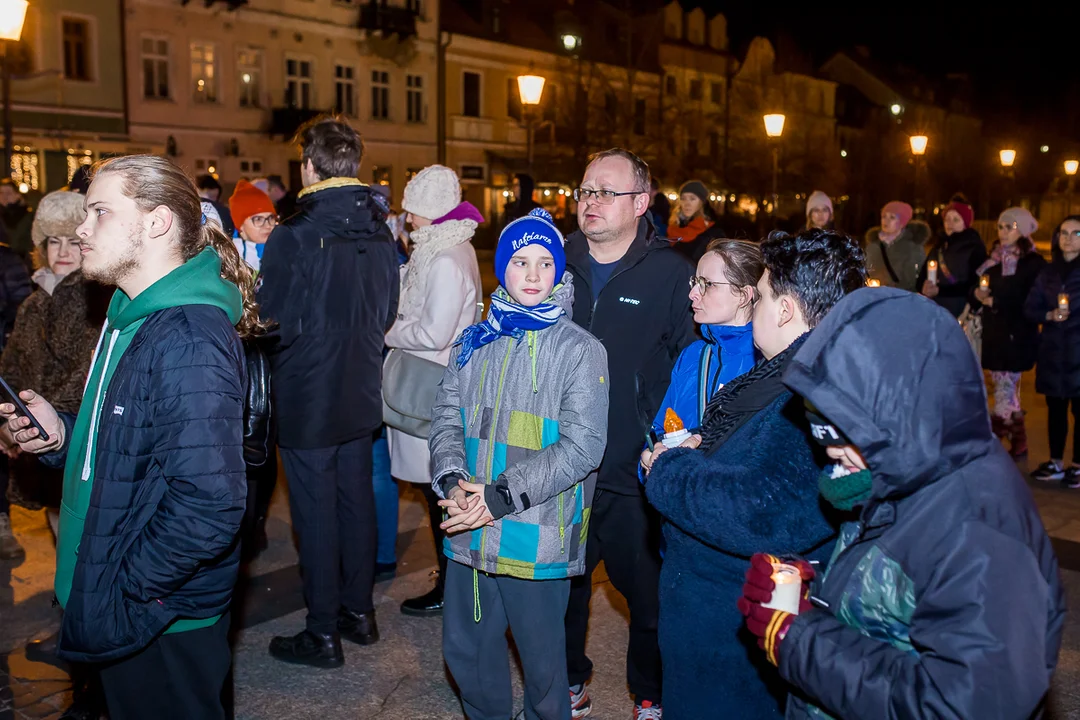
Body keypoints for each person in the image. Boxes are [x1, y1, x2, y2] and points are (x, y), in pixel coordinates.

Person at [0, 154, 259, 719]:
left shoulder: (187, 335)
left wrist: (127, 586)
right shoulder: (130, 313)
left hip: (159, 616)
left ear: (157, 222)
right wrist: (62, 437)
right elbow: (127, 447)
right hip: (125, 597)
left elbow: (210, 502)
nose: (81, 230)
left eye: (99, 212)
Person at [737, 286, 1065, 720]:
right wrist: (816, 588)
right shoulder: (905, 472)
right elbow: (902, 601)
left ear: (903, 412)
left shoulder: (980, 528)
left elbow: (963, 706)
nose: (831, 454)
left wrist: (799, 638)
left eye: (845, 432)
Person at [640, 228, 863, 719]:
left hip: (734, 639)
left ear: (784, 309)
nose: (754, 307)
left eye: (759, 296)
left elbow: (759, 512)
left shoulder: (808, 396)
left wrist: (672, 467)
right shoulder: (782, 378)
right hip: (718, 626)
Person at [429, 207, 609, 720]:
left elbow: (582, 447)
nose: (533, 275)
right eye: (521, 261)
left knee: (544, 670)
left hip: (538, 534)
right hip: (470, 529)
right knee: (468, 654)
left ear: (559, 273)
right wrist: (451, 478)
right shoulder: (473, 341)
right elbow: (444, 417)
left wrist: (498, 496)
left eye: (545, 264)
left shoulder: (580, 351)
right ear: (501, 268)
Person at [258, 115, 399, 668]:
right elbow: (387, 311)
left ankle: (322, 632)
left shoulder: (295, 235)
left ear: (308, 166)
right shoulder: (380, 231)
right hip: (360, 386)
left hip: (308, 394)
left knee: (315, 514)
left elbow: (273, 321)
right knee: (355, 500)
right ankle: (358, 614)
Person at [563, 148, 695, 719]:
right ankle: (567, 682)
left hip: (630, 468)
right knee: (560, 588)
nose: (590, 202)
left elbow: (690, 367)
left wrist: (670, 442)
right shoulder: (553, 259)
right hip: (558, 463)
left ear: (641, 203)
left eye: (605, 192)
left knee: (647, 598)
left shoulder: (672, 274)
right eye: (585, 190)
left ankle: (650, 694)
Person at [385, 164, 483, 617]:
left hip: (432, 385)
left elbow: (433, 333)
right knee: (437, 489)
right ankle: (451, 578)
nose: (406, 220)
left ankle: (451, 583)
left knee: (440, 489)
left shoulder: (444, 258)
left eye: (411, 211)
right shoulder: (442, 248)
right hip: (434, 381)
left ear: (428, 211)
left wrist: (387, 331)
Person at [0, 191, 107, 557]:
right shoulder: (33, 302)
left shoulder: (97, 299)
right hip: (38, 444)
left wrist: (39, 420)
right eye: (53, 241)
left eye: (73, 242)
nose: (62, 251)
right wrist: (8, 422)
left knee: (79, 545)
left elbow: (88, 373)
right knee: (60, 534)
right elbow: (11, 368)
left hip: (74, 441)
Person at [648, 239, 761, 440]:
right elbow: (661, 428)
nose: (692, 294)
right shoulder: (694, 355)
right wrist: (650, 456)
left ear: (743, 296)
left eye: (706, 284)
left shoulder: (766, 362)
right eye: (695, 282)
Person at [974, 207, 1046, 456]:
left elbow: (1031, 299)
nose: (1003, 232)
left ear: (1023, 230)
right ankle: (1018, 437)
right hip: (995, 332)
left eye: (1010, 227)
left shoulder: (1033, 263)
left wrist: (998, 302)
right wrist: (978, 294)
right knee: (1003, 385)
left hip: (1017, 334)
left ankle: (996, 436)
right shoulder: (993, 260)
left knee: (1005, 386)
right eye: (1001, 227)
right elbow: (981, 287)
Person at [1028, 215, 1080, 485]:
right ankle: (1056, 460)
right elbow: (1030, 307)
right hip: (1053, 352)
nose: (1068, 238)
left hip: (1078, 351)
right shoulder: (1048, 273)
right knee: (1055, 409)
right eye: (1064, 233)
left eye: (1076, 234)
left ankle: (1078, 465)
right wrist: (1048, 315)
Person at [920, 196, 988, 317]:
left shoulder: (974, 247)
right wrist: (923, 287)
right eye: (947, 219)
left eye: (956, 220)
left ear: (965, 223)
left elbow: (973, 285)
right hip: (935, 310)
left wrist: (940, 290)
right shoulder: (939, 246)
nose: (950, 223)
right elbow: (922, 276)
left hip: (960, 312)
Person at [863, 201, 929, 290]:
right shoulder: (872, 247)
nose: (886, 221)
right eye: (884, 216)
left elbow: (918, 279)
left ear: (902, 222)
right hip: (875, 299)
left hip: (902, 299)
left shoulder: (913, 248)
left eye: (892, 217)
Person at [228, 179, 278, 274]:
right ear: (240, 226)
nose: (268, 225)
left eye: (271, 218)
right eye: (258, 219)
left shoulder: (284, 252)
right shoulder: (229, 261)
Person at [0, 179, 34, 265]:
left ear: (18, 195)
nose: (4, 197)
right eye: (1, 193)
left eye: (8, 193)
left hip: (23, 264)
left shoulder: (29, 217)